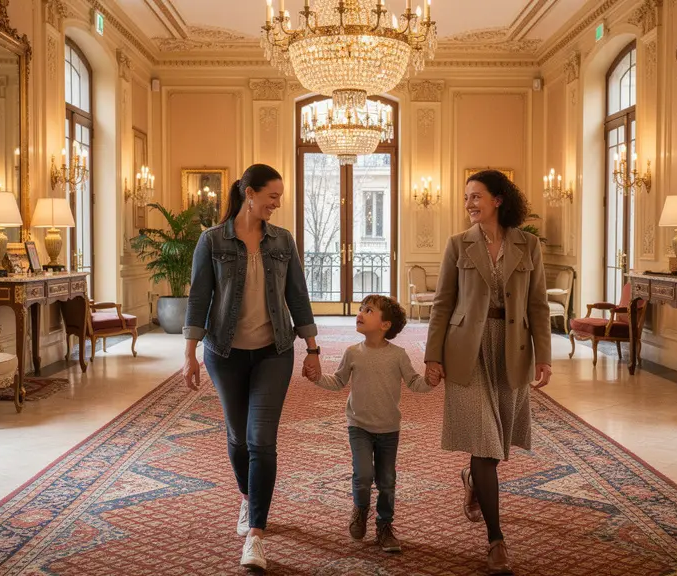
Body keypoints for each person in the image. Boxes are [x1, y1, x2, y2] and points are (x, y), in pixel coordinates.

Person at [183, 163, 322, 571]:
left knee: (261, 439)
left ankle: (256, 535)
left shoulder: (283, 240)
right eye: (272, 196)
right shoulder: (212, 241)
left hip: (273, 351)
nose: (276, 204)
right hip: (224, 353)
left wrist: (312, 347)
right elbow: (199, 298)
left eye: (279, 198)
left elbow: (298, 295)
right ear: (249, 192)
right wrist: (189, 353)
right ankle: (248, 498)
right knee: (238, 437)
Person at [424, 169, 552, 575]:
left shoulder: (528, 245)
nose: (469, 204)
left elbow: (538, 306)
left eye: (476, 196)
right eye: (466, 198)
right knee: (485, 444)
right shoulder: (457, 244)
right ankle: (496, 540)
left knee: (495, 448)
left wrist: (544, 356)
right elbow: (442, 304)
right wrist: (432, 356)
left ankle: (471, 479)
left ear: (498, 199)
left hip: (512, 349)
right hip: (467, 350)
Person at [305, 295, 435, 553]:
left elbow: (414, 383)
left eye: (368, 310)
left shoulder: (398, 355)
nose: (360, 314)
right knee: (363, 474)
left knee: (387, 480)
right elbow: (338, 381)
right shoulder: (353, 353)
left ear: (385, 325)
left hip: (389, 428)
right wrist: (317, 378)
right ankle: (361, 508)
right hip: (359, 426)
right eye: (361, 309)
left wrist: (430, 382)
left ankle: (385, 525)